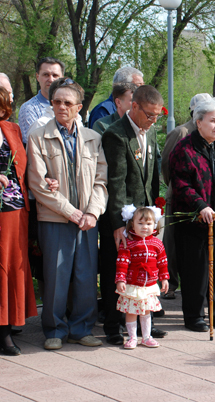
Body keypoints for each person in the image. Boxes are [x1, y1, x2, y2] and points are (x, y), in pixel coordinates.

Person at [27, 79, 108, 350]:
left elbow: (101, 181)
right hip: (55, 219)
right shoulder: (38, 137)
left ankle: (82, 329)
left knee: (86, 277)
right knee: (56, 277)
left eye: (67, 102)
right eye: (57, 101)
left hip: (87, 220)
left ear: (79, 108)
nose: (61, 106)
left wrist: (93, 213)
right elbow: (38, 184)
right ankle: (54, 330)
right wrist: (72, 212)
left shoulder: (93, 139)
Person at [101, 85, 165, 345]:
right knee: (116, 271)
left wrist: (154, 214)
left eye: (157, 116)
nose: (153, 121)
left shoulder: (149, 134)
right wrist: (118, 223)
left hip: (144, 217)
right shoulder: (116, 134)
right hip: (123, 218)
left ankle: (143, 327)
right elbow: (115, 181)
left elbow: (152, 177)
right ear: (134, 106)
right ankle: (112, 325)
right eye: (149, 115)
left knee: (143, 270)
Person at [170, 97, 215, 331]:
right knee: (196, 271)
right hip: (193, 221)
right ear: (198, 122)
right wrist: (200, 205)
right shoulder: (185, 148)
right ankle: (194, 316)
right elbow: (180, 182)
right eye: (212, 121)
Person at [161, 93, 211, 299]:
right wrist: (174, 187)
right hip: (179, 196)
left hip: (203, 198)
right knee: (172, 242)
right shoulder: (181, 132)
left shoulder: (211, 132)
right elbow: (166, 164)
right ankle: (170, 284)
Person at [0, 87, 38, 356]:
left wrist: (44, 180)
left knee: (12, 265)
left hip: (14, 211)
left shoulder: (12, 130)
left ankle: (8, 323)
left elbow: (24, 168)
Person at [116, 206, 169, 349]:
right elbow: (122, 262)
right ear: (132, 224)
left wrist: (164, 279)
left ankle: (146, 337)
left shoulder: (157, 243)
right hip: (133, 284)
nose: (144, 227)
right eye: (140, 223)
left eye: (148, 224)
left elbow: (162, 262)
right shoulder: (128, 242)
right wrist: (120, 279)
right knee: (132, 311)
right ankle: (132, 337)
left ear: (155, 225)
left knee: (146, 311)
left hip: (149, 285)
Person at [18, 57, 65, 143]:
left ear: (62, 78)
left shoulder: (69, 106)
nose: (51, 79)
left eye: (55, 75)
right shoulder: (29, 109)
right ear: (37, 77)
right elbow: (34, 143)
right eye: (46, 75)